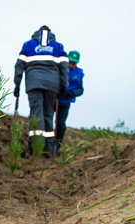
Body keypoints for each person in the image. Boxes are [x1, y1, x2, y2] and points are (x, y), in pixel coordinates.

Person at [14, 25, 69, 157]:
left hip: (33, 84)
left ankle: (35, 149)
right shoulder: (57, 46)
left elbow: (19, 66)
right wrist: (63, 87)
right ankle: (48, 151)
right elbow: (64, 68)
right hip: (52, 85)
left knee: (36, 114)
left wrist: (17, 85)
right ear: (50, 34)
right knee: (48, 115)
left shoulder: (28, 45)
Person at [55, 50, 85, 152]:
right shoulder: (59, 68)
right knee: (48, 121)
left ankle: (58, 144)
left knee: (60, 124)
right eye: (70, 62)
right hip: (53, 100)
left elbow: (81, 90)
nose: (71, 65)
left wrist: (71, 93)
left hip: (65, 102)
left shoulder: (79, 73)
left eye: (74, 63)